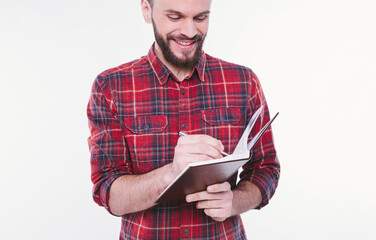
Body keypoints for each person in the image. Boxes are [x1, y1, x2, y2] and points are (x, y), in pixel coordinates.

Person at [87, 0, 280, 239]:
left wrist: (234, 202)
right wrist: (171, 174)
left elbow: (266, 168)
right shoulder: (111, 87)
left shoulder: (244, 82)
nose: (190, 32)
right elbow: (109, 193)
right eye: (175, 17)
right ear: (147, 10)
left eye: (200, 18)